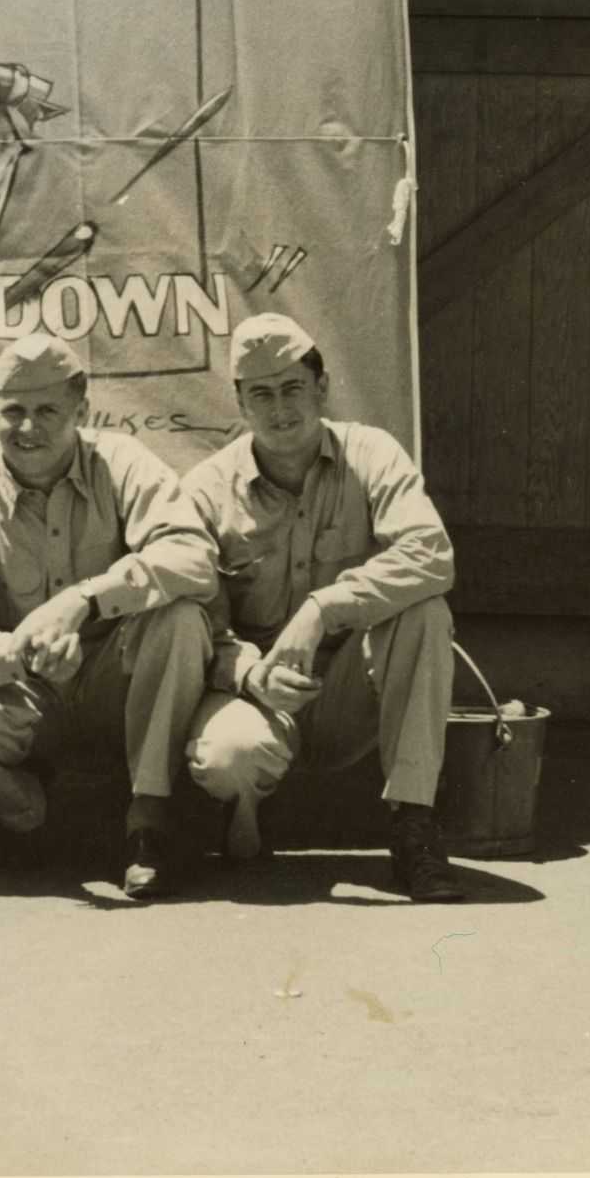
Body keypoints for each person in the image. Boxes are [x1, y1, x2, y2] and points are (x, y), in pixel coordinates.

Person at [179, 313, 466, 903]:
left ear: (323, 387)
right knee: (229, 759)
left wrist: (323, 608)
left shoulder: (371, 452)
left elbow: (432, 554)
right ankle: (243, 812)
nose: (280, 410)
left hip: (349, 687)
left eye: (293, 390)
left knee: (425, 612)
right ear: (239, 402)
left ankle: (413, 827)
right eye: (261, 395)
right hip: (256, 692)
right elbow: (196, 612)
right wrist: (251, 674)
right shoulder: (206, 489)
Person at [0, 333, 217, 898]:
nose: (28, 428)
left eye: (47, 411)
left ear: (81, 410)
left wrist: (84, 600)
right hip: (25, 685)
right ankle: (21, 820)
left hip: (116, 680)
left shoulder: (123, 462)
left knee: (180, 618)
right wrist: (17, 650)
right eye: (13, 411)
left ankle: (149, 822)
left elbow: (192, 556)